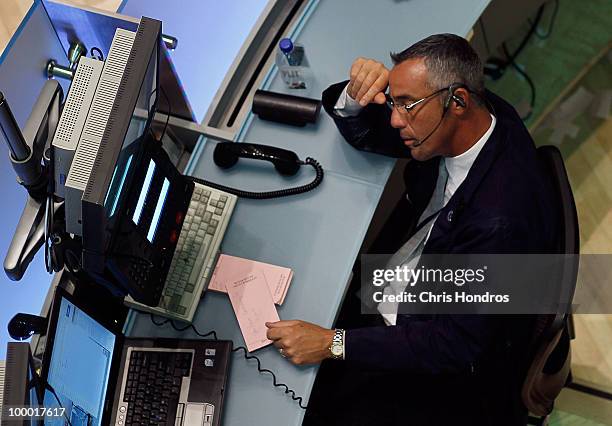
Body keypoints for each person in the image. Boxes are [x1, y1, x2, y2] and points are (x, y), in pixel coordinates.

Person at [265, 33, 557, 425]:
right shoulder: (478, 118)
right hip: (412, 279)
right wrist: (360, 91)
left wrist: (332, 343)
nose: (395, 119)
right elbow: (373, 132)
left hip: (438, 369)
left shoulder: (498, 222)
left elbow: (454, 343)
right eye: (395, 101)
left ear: (457, 102)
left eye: (406, 104)